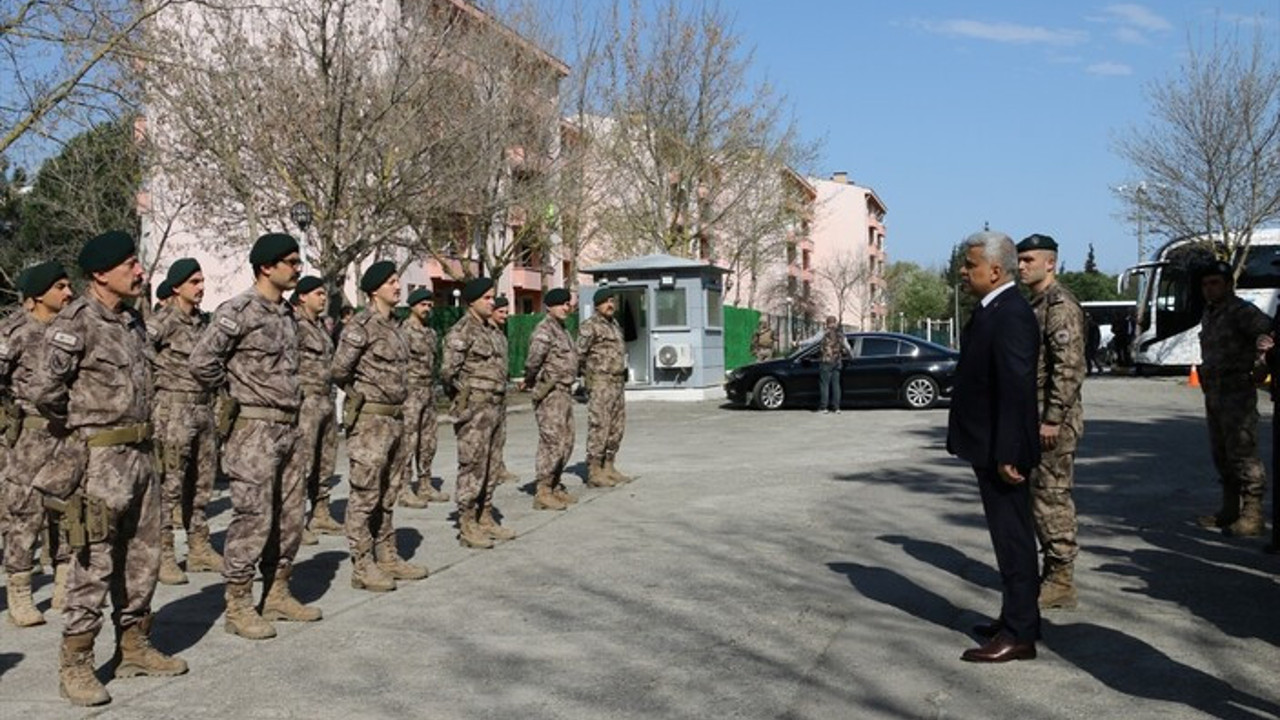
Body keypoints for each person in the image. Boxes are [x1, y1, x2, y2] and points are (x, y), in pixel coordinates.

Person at [32, 231, 187, 706]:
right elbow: (45, 391)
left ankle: (134, 646)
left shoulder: (133, 323)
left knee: (143, 560)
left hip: (141, 456)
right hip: (98, 462)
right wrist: (84, 432)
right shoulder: (75, 322)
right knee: (92, 564)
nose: (139, 271)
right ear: (100, 274)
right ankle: (76, 663)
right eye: (129, 265)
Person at [190, 233, 321, 641]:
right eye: (291, 261)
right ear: (267, 266)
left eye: (299, 261)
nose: (298, 268)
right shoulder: (238, 311)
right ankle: (239, 604)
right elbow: (201, 362)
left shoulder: (287, 315)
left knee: (290, 515)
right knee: (252, 518)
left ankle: (278, 591)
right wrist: (236, 393)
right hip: (254, 430)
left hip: (290, 426)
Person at [946, 229, 1041, 663]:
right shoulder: (992, 309)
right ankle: (1014, 618)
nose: (964, 272)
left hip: (1001, 452)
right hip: (986, 445)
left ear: (996, 270)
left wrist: (1009, 452)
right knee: (1006, 539)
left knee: (1013, 539)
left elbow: (1016, 389)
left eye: (971, 265)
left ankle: (1020, 634)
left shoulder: (1011, 313)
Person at [332, 261, 427, 590]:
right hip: (371, 421)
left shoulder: (397, 328)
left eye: (397, 280)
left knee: (388, 494)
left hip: (396, 419)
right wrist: (360, 398)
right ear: (374, 290)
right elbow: (339, 370)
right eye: (391, 282)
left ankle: (387, 555)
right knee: (365, 495)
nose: (397, 286)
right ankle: (362, 565)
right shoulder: (361, 326)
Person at [1, 261, 74, 627]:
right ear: (36, 296)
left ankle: (64, 580)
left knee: (65, 509)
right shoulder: (14, 331)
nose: (68, 292)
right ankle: (20, 589)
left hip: (68, 433)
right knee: (24, 514)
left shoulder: (72, 329)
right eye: (60, 286)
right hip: (30, 436)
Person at [1016, 234, 1086, 610]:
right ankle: (1052, 571)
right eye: (1020, 260)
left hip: (1051, 420)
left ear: (1050, 263)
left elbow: (1070, 367)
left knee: (1052, 497)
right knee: (1039, 496)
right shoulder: (1037, 303)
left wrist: (1053, 418)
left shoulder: (1060, 306)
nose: (1022, 266)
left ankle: (1061, 579)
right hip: (1037, 414)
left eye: (1029, 260)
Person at [148, 258, 223, 586]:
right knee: (170, 485)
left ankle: (198, 546)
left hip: (203, 410)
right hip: (173, 412)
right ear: (176, 286)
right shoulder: (162, 322)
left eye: (203, 281)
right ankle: (163, 553)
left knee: (202, 483)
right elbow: (142, 357)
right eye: (194, 282)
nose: (201, 287)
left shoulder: (204, 324)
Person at [1194, 260, 1271, 537]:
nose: (1209, 289)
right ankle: (1229, 509)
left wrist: (1262, 360)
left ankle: (1253, 514)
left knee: (1243, 453)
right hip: (1214, 392)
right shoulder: (1210, 313)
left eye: (1215, 283)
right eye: (1205, 284)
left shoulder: (1242, 311)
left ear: (1228, 284)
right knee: (1222, 454)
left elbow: (1268, 333)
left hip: (1237, 392)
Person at [441, 278, 514, 548]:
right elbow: (449, 372)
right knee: (472, 465)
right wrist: (465, 400)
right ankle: (467, 523)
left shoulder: (492, 331)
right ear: (472, 301)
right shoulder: (462, 331)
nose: (492, 302)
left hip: (496, 406)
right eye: (486, 298)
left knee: (492, 464)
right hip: (474, 408)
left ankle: (485, 515)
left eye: (492, 297)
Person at [291, 276, 344, 538]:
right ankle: (295, 519)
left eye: (324, 294)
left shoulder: (322, 327)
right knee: (303, 462)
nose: (323, 298)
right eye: (318, 294)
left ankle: (321, 512)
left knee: (326, 460)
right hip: (306, 401)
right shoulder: (294, 326)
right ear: (302, 296)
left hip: (325, 399)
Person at [521, 288, 579, 510]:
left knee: (567, 441)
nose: (566, 308)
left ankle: (555, 484)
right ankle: (543, 490)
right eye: (561, 304)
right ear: (549, 306)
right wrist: (530, 380)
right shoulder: (544, 331)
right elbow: (533, 361)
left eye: (568, 304)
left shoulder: (562, 330)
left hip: (564, 392)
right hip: (550, 393)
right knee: (552, 441)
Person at [398, 287, 449, 507]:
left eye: (429, 305)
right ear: (412, 306)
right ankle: (404, 487)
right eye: (423, 305)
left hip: (428, 391)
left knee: (428, 441)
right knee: (408, 440)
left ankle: (426, 483)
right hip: (410, 392)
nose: (427, 309)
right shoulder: (404, 332)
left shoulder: (430, 332)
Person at [578, 288, 632, 487]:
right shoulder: (589, 326)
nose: (610, 305)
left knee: (617, 426)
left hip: (617, 382)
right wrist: (588, 377)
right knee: (599, 425)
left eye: (612, 301)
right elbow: (579, 355)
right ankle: (594, 470)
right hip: (601, 382)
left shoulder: (614, 325)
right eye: (606, 301)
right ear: (597, 305)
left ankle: (609, 465)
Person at [490, 295, 520, 485]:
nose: (505, 316)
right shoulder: (486, 332)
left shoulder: (500, 333)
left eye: (507, 312)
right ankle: (491, 470)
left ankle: (498, 467)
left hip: (500, 391)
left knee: (500, 434)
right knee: (488, 435)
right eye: (501, 312)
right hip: (486, 394)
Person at [817, 315, 853, 414]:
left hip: (826, 362)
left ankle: (824, 407)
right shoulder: (840, 334)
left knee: (825, 385)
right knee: (836, 385)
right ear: (835, 323)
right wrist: (851, 356)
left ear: (827, 323)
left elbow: (812, 341)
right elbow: (847, 347)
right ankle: (836, 408)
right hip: (837, 362)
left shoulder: (824, 333)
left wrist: (799, 343)